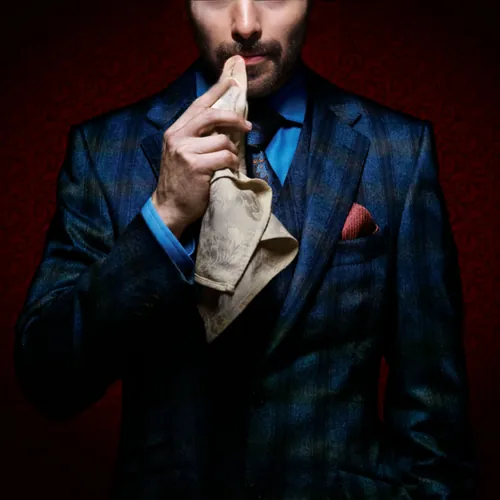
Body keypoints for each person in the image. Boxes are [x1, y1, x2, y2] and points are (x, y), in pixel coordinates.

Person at [14, 0, 477, 498]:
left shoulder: (398, 150)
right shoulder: (103, 151)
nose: (246, 25)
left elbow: (435, 414)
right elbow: (48, 382)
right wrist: (163, 217)